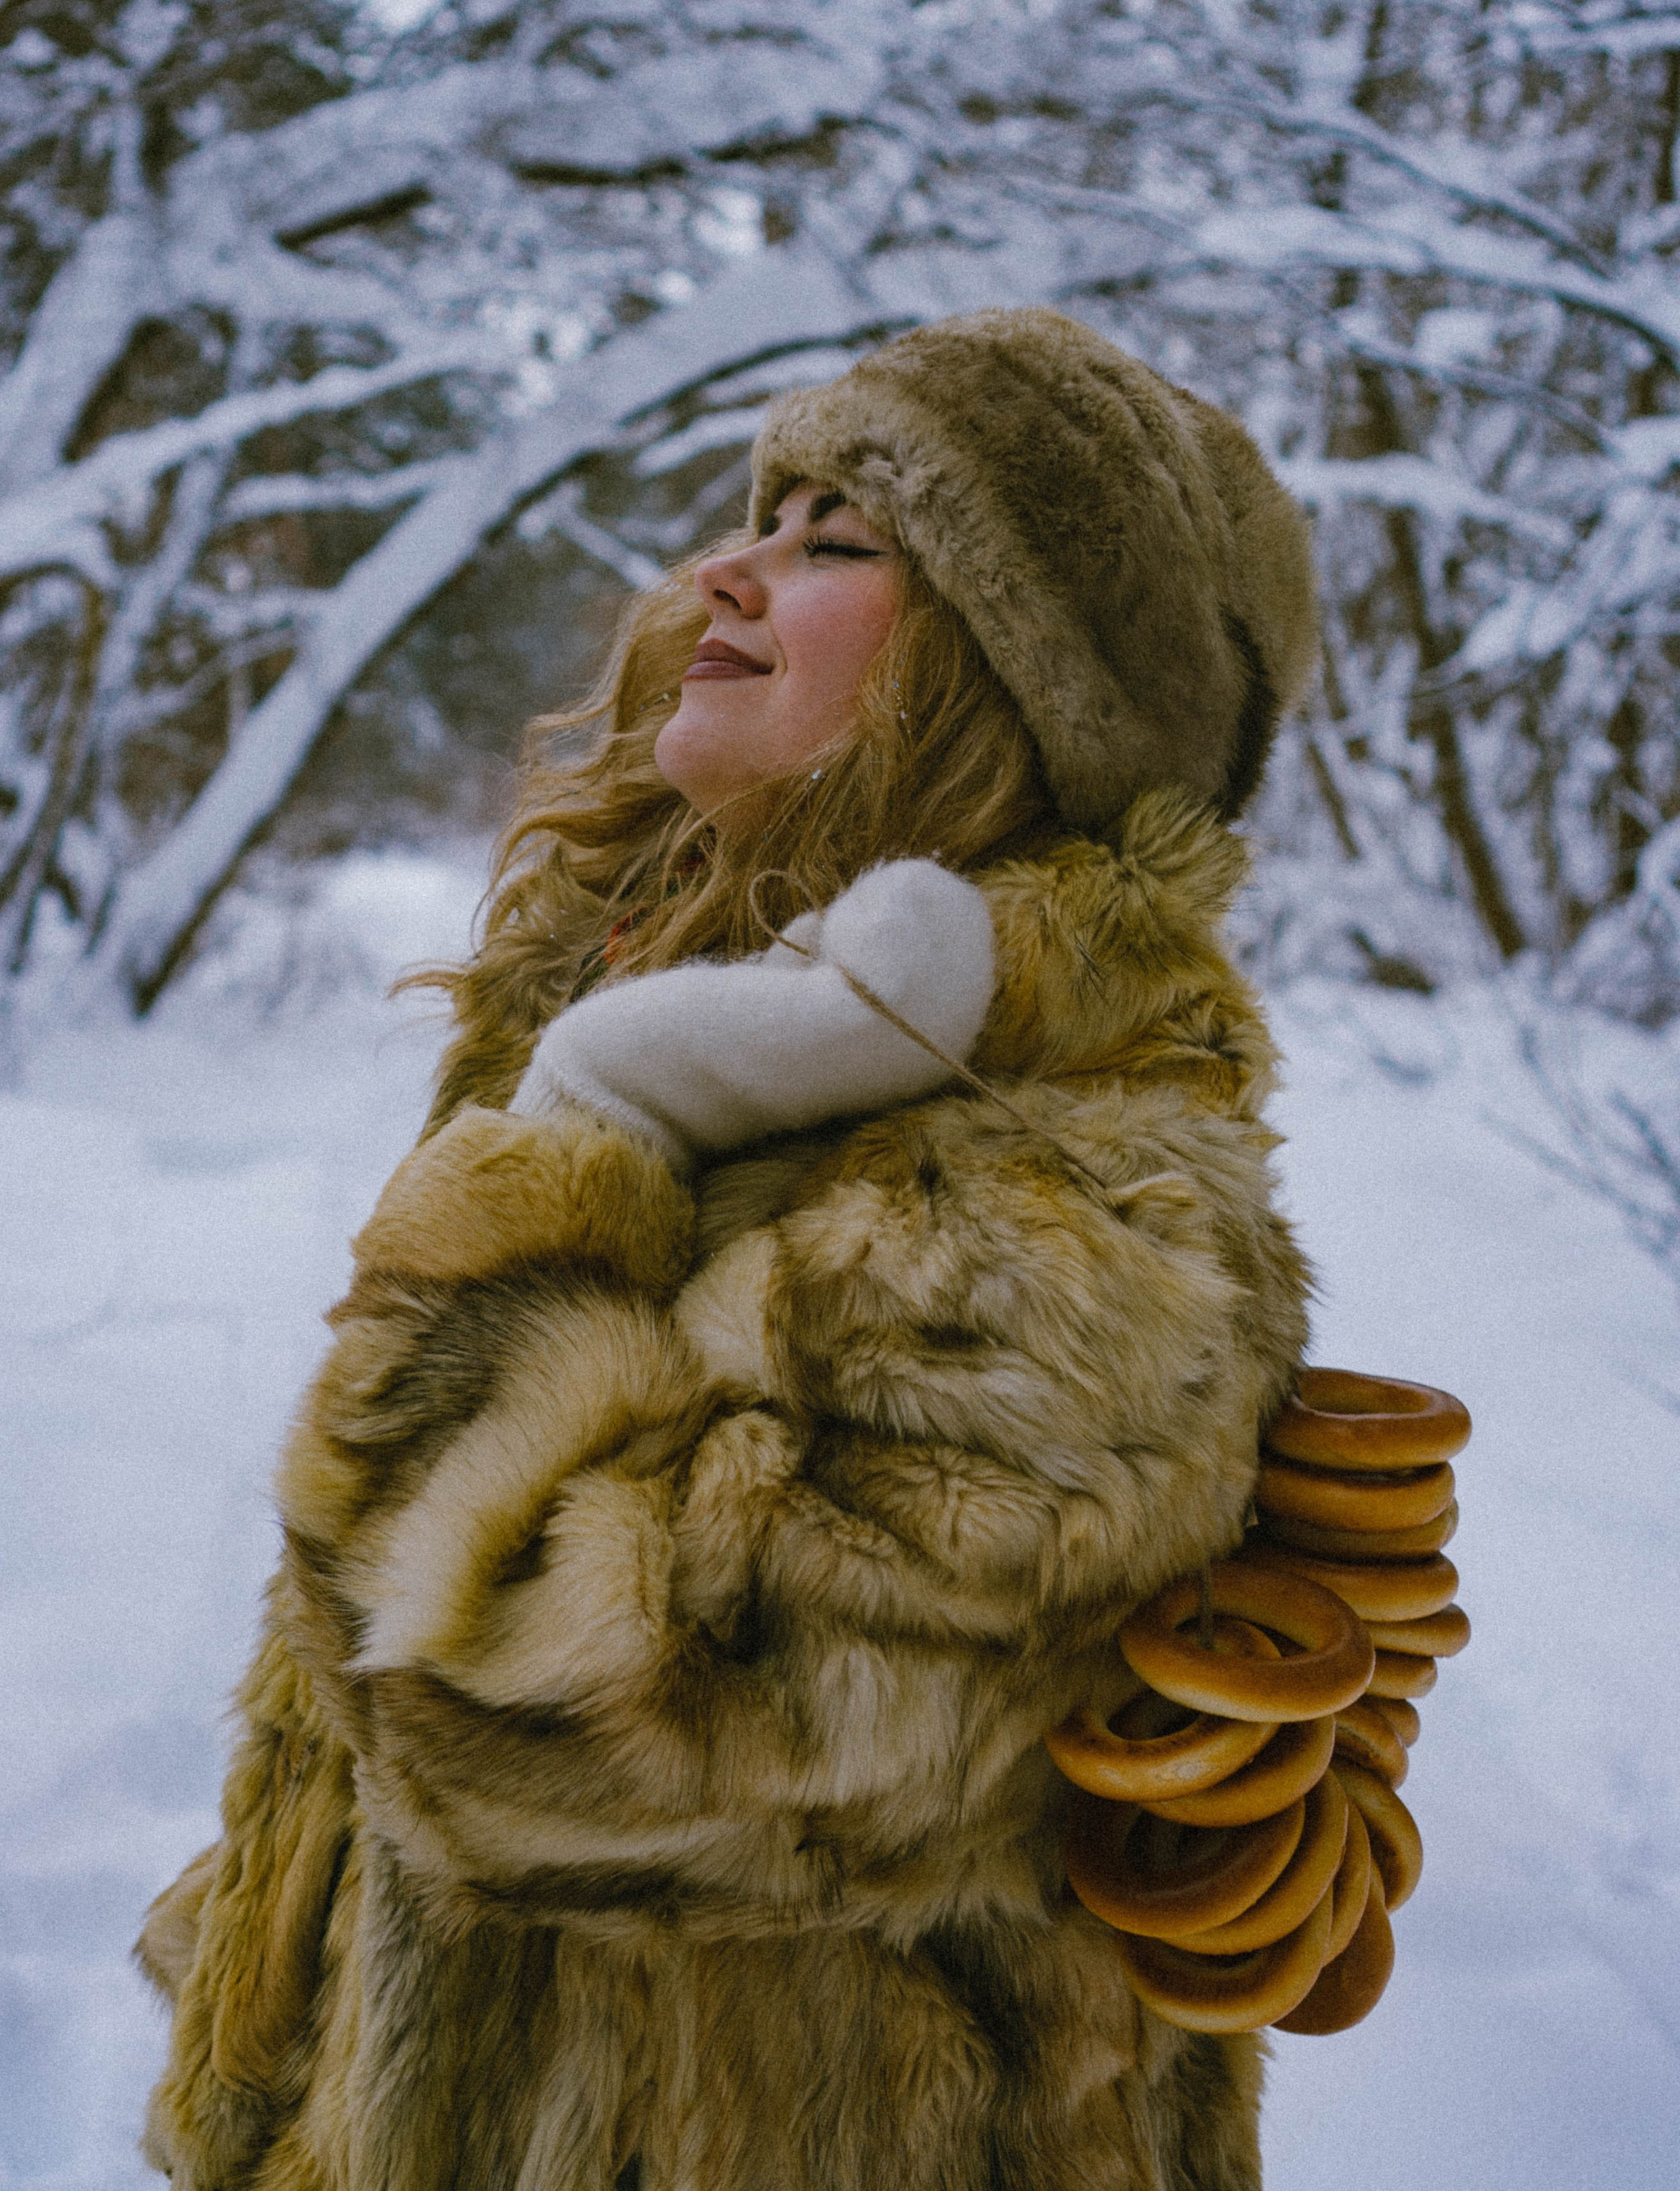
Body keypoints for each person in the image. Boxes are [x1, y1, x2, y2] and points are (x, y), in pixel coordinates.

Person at [136, 308, 1320, 2190]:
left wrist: (591, 1118)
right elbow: (350, 1727)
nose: (727, 569)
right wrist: (269, 2018)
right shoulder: (706, 1015)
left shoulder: (1073, 1213)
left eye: (837, 542)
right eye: (759, 515)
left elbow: (518, 1719)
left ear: (1019, 689)